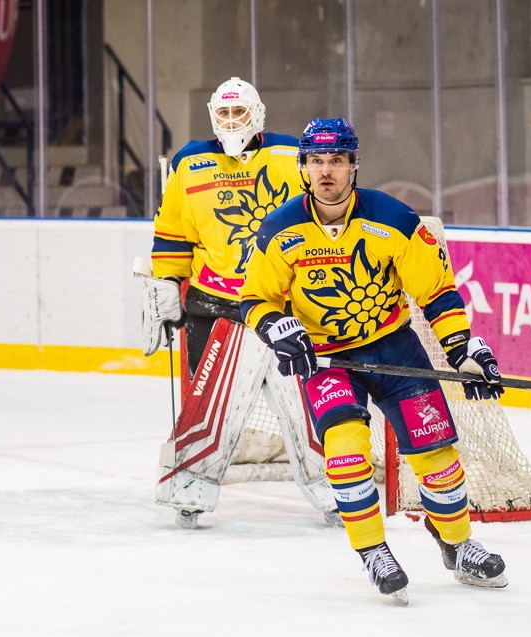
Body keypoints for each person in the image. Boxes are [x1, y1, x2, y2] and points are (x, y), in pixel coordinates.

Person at [240, 117, 508, 602]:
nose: (326, 171)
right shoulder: (280, 229)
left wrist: (461, 348)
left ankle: (458, 544)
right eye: (316, 161)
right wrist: (277, 327)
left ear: (354, 166)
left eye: (336, 160)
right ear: (303, 167)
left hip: (393, 347)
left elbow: (436, 291)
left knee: (436, 454)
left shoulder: (394, 219)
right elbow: (255, 299)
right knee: (345, 451)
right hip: (326, 358)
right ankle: (373, 551)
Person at [146, 77, 338, 529]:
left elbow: (324, 213)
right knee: (210, 408)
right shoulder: (190, 162)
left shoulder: (292, 156)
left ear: (258, 114)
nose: (232, 122)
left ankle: (338, 489)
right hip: (217, 307)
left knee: (310, 405)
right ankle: (188, 489)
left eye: (240, 113)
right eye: (224, 113)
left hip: (283, 308)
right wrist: (167, 282)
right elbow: (172, 232)